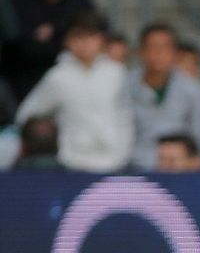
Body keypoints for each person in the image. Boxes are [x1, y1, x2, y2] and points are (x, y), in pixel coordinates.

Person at [15, 14, 133, 173]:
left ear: (101, 40)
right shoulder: (58, 76)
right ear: (67, 41)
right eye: (78, 37)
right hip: (71, 162)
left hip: (114, 161)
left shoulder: (116, 73)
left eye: (91, 36)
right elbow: (27, 114)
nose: (85, 43)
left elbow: (125, 115)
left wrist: (122, 151)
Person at [0, 0, 100, 103]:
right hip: (27, 98)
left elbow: (101, 38)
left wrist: (51, 35)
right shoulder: (10, 4)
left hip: (81, 97)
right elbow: (22, 50)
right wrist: (66, 36)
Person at [129, 23, 200, 171]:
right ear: (141, 52)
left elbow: (197, 134)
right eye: (152, 47)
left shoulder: (193, 88)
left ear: (175, 53)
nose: (158, 53)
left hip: (179, 169)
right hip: (134, 168)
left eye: (165, 47)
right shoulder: (125, 87)